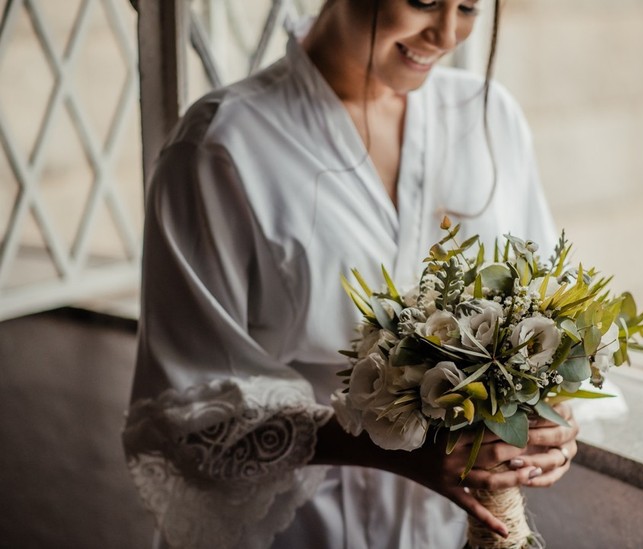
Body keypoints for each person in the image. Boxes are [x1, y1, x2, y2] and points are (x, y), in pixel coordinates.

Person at [122, 1, 579, 547]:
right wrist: (390, 449)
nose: (447, 34)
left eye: (469, 7)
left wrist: (551, 419)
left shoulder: (489, 118)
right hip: (296, 529)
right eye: (425, 1)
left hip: (443, 531)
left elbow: (550, 311)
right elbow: (184, 408)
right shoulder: (220, 145)